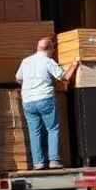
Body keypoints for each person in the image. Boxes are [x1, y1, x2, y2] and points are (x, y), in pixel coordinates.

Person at [15, 37, 66, 170]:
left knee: (34, 131)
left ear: (38, 48)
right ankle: (54, 161)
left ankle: (38, 163)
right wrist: (75, 65)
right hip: (45, 99)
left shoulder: (25, 61)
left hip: (28, 101)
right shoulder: (48, 61)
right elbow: (63, 77)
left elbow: (18, 78)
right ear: (50, 49)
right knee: (52, 129)